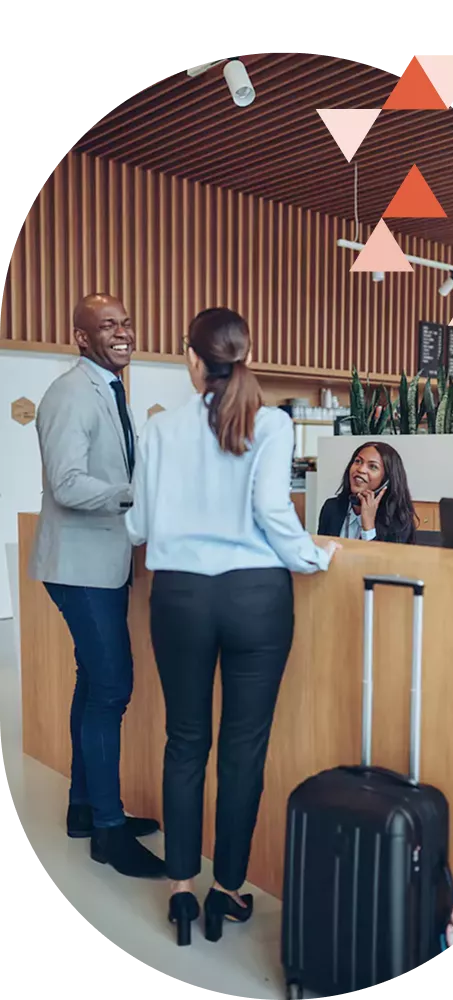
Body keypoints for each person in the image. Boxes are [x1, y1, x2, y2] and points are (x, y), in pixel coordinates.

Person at [125, 307, 340, 947]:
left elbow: (137, 528)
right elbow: (273, 510)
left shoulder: (159, 429)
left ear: (192, 359)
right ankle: (230, 891)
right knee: (244, 748)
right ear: (244, 355)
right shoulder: (270, 423)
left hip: (181, 599)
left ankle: (182, 891)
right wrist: (312, 556)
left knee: (185, 741)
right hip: (256, 598)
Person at [29, 293, 164, 879]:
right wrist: (138, 495)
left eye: (125, 322)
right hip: (79, 568)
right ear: (81, 338)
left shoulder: (109, 390)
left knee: (93, 686)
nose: (121, 332)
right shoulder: (69, 394)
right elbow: (67, 484)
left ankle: (84, 810)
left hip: (102, 564)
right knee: (112, 689)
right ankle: (108, 830)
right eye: (106, 326)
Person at [318, 441, 418, 544]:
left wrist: (369, 528)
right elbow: (320, 554)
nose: (361, 469)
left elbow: (384, 560)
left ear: (386, 481)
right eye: (358, 461)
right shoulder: (331, 508)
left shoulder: (398, 521)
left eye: (373, 466)